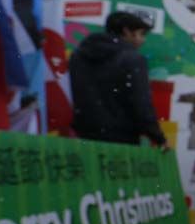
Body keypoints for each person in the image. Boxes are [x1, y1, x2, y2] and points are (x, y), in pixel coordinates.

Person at [69, 11, 166, 146]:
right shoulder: (132, 59)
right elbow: (141, 104)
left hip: (84, 138)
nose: (143, 40)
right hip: (121, 141)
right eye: (142, 34)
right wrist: (158, 137)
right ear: (126, 31)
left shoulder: (79, 56)